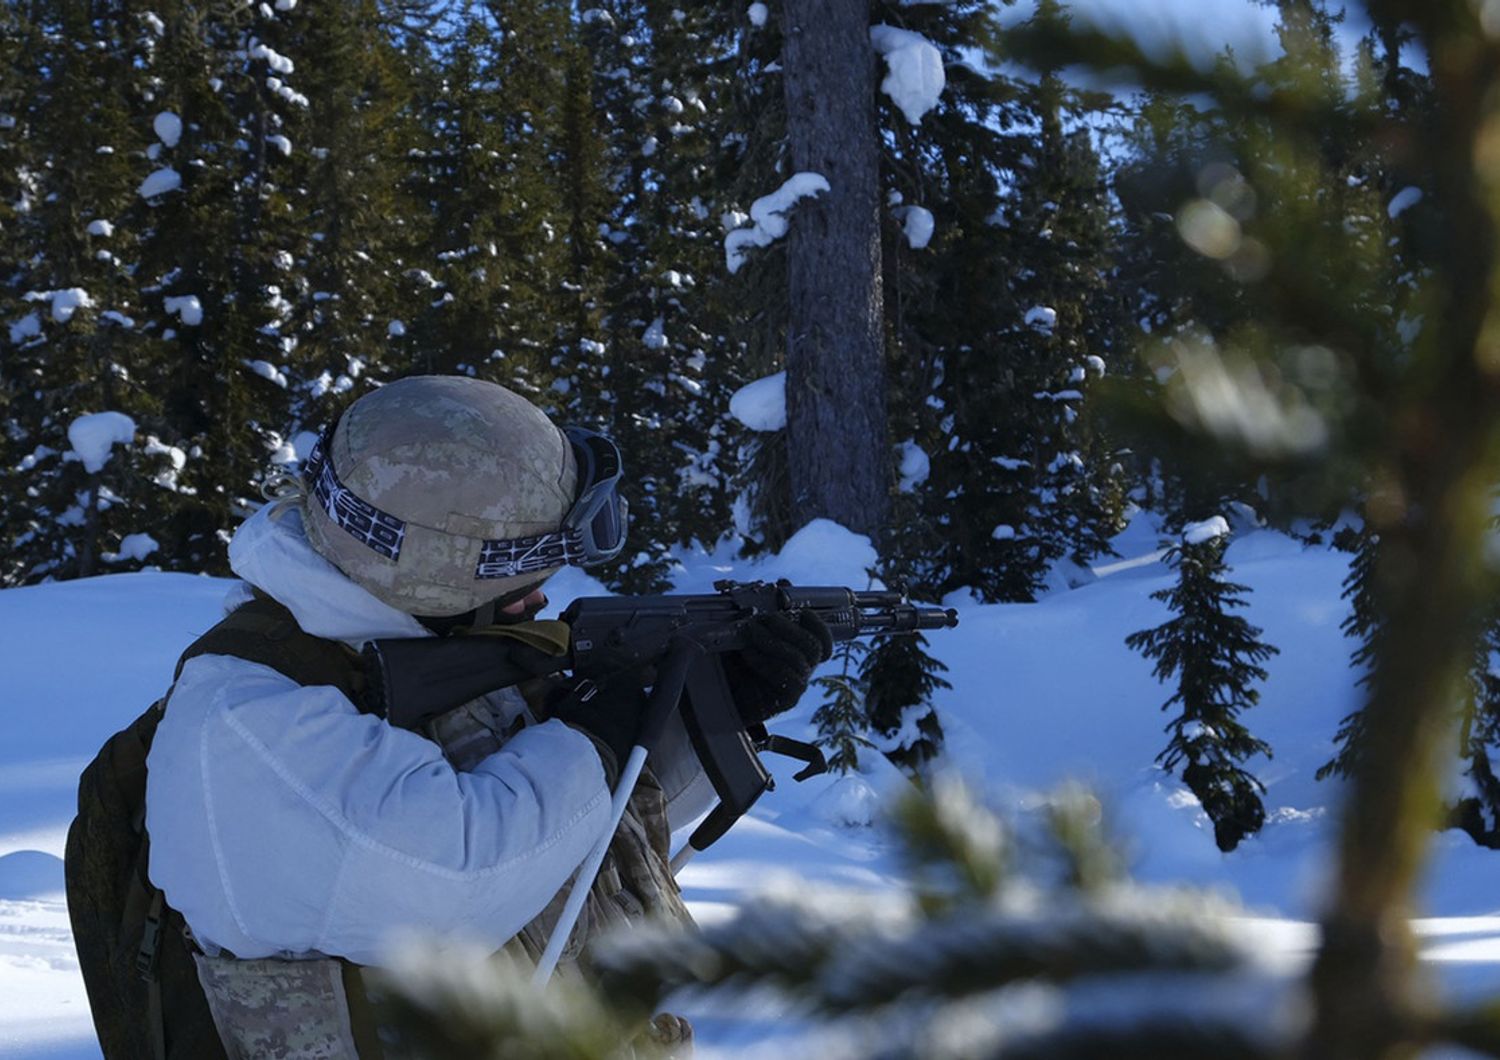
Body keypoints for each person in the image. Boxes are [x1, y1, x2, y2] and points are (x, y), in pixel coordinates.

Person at [78, 375, 830, 1058]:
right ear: (440, 572)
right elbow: (464, 882)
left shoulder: (426, 652)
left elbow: (574, 869)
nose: (540, 599)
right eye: (523, 576)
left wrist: (705, 713)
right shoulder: (252, 726)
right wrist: (597, 734)